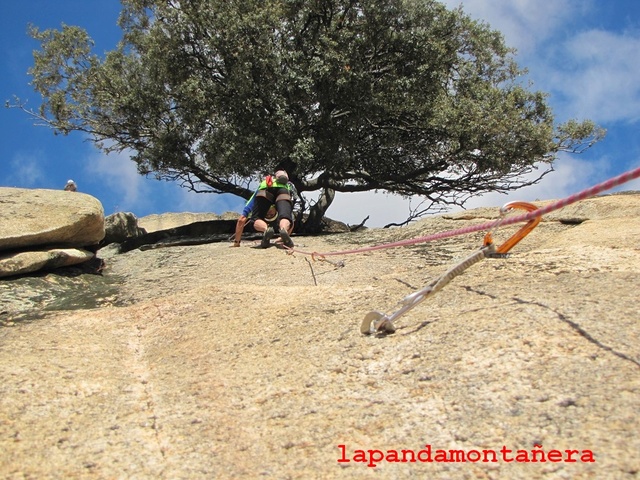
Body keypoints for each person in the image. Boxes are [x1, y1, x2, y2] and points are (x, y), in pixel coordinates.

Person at [232, 170, 296, 248]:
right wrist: (283, 236)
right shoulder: (286, 186)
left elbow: (241, 219)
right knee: (286, 217)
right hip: (283, 189)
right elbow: (291, 220)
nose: (269, 214)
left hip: (265, 189)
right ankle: (283, 229)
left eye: (270, 215)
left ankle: (266, 230)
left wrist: (237, 242)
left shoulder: (262, 185)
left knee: (255, 219)